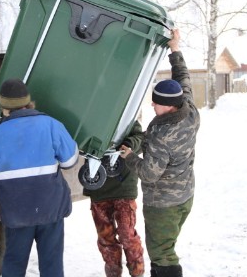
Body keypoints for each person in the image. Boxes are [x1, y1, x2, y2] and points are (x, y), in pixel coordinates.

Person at [120, 28, 200, 277]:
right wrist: (174, 49)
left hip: (164, 204)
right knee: (166, 249)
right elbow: (183, 77)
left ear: (167, 105)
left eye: (155, 102)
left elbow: (149, 174)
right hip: (184, 196)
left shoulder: (161, 135)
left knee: (162, 255)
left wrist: (129, 157)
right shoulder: (189, 109)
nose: (152, 104)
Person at [0, 78, 83, 277]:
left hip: (17, 211)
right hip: (50, 208)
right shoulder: (51, 125)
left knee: (14, 263)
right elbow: (70, 161)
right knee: (51, 264)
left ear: (4, 106)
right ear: (28, 100)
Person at [83, 120, 145, 277]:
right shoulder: (89, 115)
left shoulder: (125, 114)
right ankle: (113, 273)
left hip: (123, 185)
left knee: (127, 234)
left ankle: (137, 273)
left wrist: (129, 144)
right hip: (98, 186)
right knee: (106, 239)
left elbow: (142, 138)